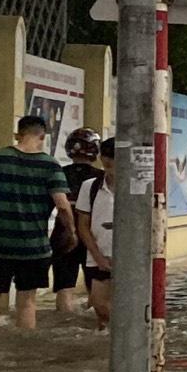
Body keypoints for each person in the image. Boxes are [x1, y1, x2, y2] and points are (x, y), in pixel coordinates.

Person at [0, 112, 78, 334]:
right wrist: (71, 231)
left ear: (17, 134)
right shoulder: (50, 166)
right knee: (27, 301)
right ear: (43, 136)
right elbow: (62, 206)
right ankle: (23, 348)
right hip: (33, 247)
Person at [51, 127, 102, 315]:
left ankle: (64, 320)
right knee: (95, 286)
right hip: (92, 235)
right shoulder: (101, 177)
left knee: (64, 285)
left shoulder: (58, 173)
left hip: (63, 233)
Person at [83, 138, 117, 329]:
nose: (110, 163)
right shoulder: (91, 187)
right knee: (100, 307)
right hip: (97, 256)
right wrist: (98, 256)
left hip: (130, 260)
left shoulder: (139, 188)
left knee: (127, 307)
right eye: (107, 157)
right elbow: (83, 225)